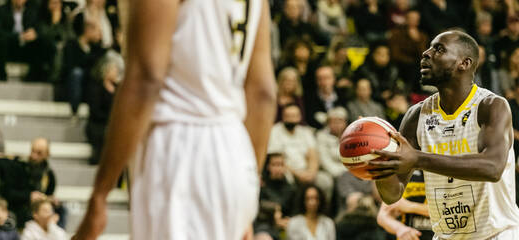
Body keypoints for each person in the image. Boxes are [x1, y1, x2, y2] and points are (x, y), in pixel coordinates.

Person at [72, 0, 277, 239]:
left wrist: (101, 192)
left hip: (181, 149)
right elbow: (263, 94)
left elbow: (146, 78)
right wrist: (246, 183)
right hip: (235, 150)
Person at [368, 30, 519, 239]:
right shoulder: (416, 115)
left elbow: (492, 168)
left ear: (464, 63)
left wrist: (418, 159)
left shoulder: (490, 106)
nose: (426, 53)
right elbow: (392, 194)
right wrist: (380, 164)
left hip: (496, 233)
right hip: (445, 235)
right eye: (429, 47)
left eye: (438, 49)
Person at [377, 170, 433, 240]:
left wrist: (409, 206)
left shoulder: (444, 170)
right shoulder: (402, 172)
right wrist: (399, 228)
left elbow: (447, 210)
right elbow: (382, 215)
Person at [316, 107, 348, 178]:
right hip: (331, 173)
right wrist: (342, 173)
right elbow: (325, 161)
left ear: (345, 123)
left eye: (340, 121)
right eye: (334, 122)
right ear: (328, 123)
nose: (337, 125)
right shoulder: (321, 136)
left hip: (349, 171)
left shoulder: (350, 136)